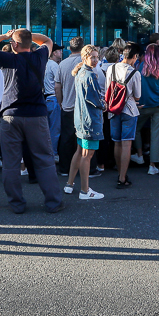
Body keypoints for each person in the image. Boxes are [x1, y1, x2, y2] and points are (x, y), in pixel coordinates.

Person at [0, 28, 65, 214]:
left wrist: (6, 35)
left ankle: (16, 203)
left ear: (14, 45)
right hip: (36, 115)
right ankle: (53, 202)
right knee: (44, 160)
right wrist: (29, 37)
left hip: (11, 116)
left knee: (11, 162)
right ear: (30, 43)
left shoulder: (7, 59)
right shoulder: (40, 57)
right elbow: (47, 40)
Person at [65, 45, 105, 200]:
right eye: (92, 57)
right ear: (84, 58)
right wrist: (104, 105)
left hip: (81, 119)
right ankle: (84, 190)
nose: (96, 60)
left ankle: (69, 184)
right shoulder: (89, 75)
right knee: (87, 155)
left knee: (80, 151)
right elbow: (95, 99)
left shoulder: (81, 72)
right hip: (90, 120)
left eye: (97, 57)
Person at [106, 43, 143, 188]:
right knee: (127, 143)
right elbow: (138, 96)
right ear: (134, 56)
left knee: (117, 142)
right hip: (129, 110)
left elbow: (108, 88)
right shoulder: (135, 73)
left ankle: (119, 170)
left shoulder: (111, 68)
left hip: (113, 109)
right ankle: (122, 177)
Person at [56, 37, 90, 177]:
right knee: (85, 139)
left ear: (69, 48)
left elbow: (57, 86)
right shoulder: (85, 63)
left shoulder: (62, 64)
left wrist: (61, 102)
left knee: (66, 138)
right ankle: (86, 168)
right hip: (83, 108)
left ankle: (65, 168)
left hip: (68, 106)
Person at [133, 42, 159, 174]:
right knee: (156, 134)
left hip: (143, 105)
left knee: (135, 129)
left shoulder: (140, 66)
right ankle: (152, 165)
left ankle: (140, 155)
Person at [43, 46, 62, 158]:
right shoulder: (54, 66)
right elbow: (58, 84)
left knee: (48, 129)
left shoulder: (45, 64)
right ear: (54, 53)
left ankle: (47, 152)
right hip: (54, 98)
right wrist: (60, 101)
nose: (61, 52)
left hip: (47, 98)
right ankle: (53, 153)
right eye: (59, 51)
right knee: (55, 129)